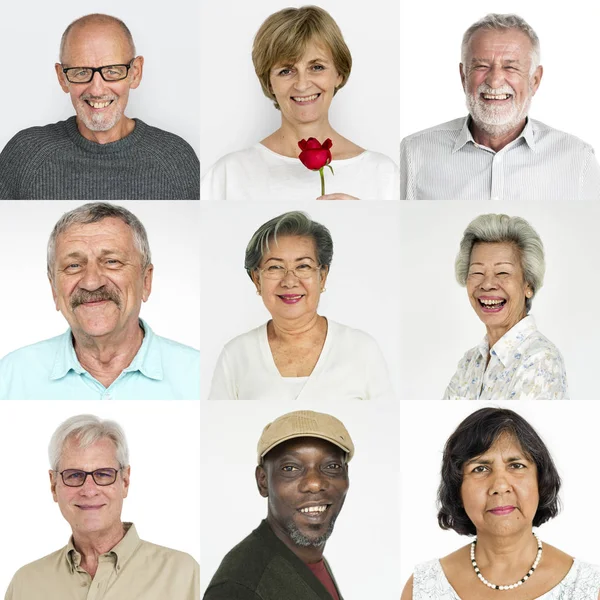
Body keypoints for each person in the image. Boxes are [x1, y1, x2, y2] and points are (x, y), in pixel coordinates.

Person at [0, 202, 199, 400]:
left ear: (145, 281)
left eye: (112, 262)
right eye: (74, 265)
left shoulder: (196, 374)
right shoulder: (11, 376)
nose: (92, 282)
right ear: (54, 288)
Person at [201, 6, 398, 200]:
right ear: (269, 83)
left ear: (339, 74)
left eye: (317, 67)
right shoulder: (228, 176)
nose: (302, 85)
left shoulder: (383, 175)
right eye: (286, 71)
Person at [402, 407, 600, 600]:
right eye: (480, 469)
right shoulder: (422, 588)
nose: (500, 485)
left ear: (540, 481)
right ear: (457, 489)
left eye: (516, 465)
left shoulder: (589, 588)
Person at [400, 13, 600, 200]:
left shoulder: (577, 160)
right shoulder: (414, 153)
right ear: (463, 76)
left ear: (535, 80)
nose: (494, 81)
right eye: (481, 66)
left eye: (510, 67)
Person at [0, 13, 199, 199]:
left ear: (135, 73)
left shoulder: (175, 159)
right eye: (81, 72)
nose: (96, 89)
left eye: (112, 71)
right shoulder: (25, 154)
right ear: (62, 78)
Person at [5, 414, 199, 599]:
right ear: (54, 485)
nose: (89, 490)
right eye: (74, 475)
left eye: (103, 474)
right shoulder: (25, 584)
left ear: (125, 481)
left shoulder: (183, 575)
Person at [208, 211, 393, 400]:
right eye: (275, 267)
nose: (289, 281)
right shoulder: (235, 355)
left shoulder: (362, 349)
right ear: (257, 280)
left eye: (303, 266)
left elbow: (387, 424)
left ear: (322, 276)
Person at [205, 409, 351, 599]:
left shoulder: (308, 560)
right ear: (263, 481)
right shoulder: (240, 588)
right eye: (290, 468)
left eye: (332, 466)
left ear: (346, 475)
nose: (314, 483)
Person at [444, 213, 567, 400]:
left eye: (502, 272)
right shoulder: (469, 362)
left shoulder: (541, 360)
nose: (487, 284)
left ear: (528, 285)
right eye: (477, 272)